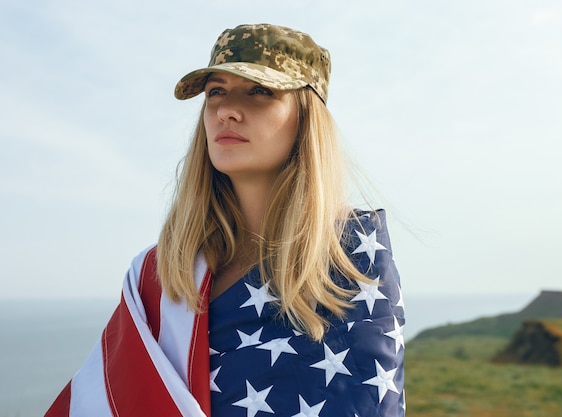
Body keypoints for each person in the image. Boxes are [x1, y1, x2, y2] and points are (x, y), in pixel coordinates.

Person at [45, 23, 405, 417]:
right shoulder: (159, 274)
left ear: (306, 116)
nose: (226, 110)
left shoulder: (353, 259)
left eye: (260, 91)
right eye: (216, 91)